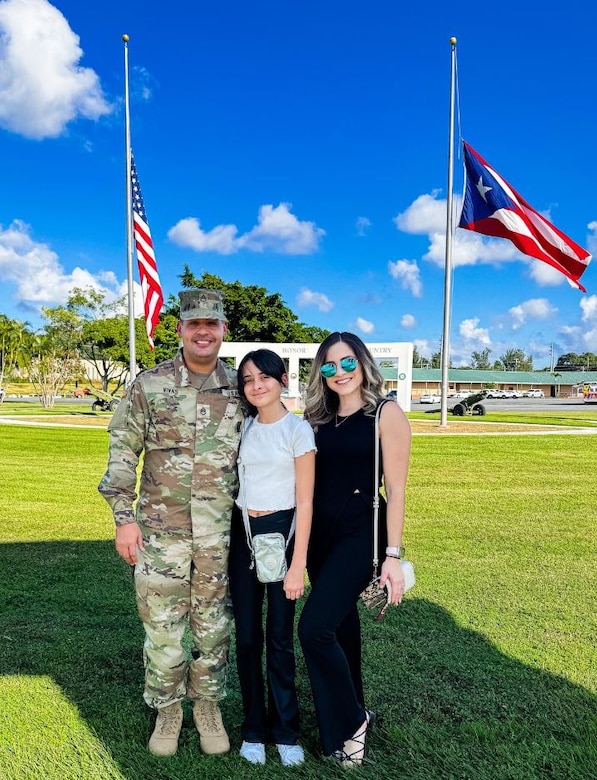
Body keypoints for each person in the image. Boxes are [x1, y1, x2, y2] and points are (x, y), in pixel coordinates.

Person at [98, 289, 244, 758]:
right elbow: (123, 449)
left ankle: (207, 705)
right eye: (194, 323)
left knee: (214, 626)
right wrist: (123, 519)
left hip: (221, 536)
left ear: (223, 331)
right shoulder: (150, 384)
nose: (204, 331)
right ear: (180, 329)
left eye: (212, 324)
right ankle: (167, 708)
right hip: (162, 533)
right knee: (162, 627)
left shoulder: (243, 389)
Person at [298, 331, 411, 767]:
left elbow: (397, 491)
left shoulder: (386, 413)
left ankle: (351, 722)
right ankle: (354, 711)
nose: (339, 372)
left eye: (347, 363)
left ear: (363, 363)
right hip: (320, 536)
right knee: (342, 628)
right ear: (320, 372)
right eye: (329, 365)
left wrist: (393, 556)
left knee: (314, 628)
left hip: (360, 534)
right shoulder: (316, 419)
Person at [229, 349, 315, 767]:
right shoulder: (243, 427)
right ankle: (252, 728)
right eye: (247, 379)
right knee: (247, 637)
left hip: (284, 533)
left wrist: (297, 564)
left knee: (279, 639)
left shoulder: (298, 430)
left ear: (282, 379)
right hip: (243, 533)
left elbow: (306, 501)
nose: (256, 385)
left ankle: (285, 730)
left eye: (264, 376)